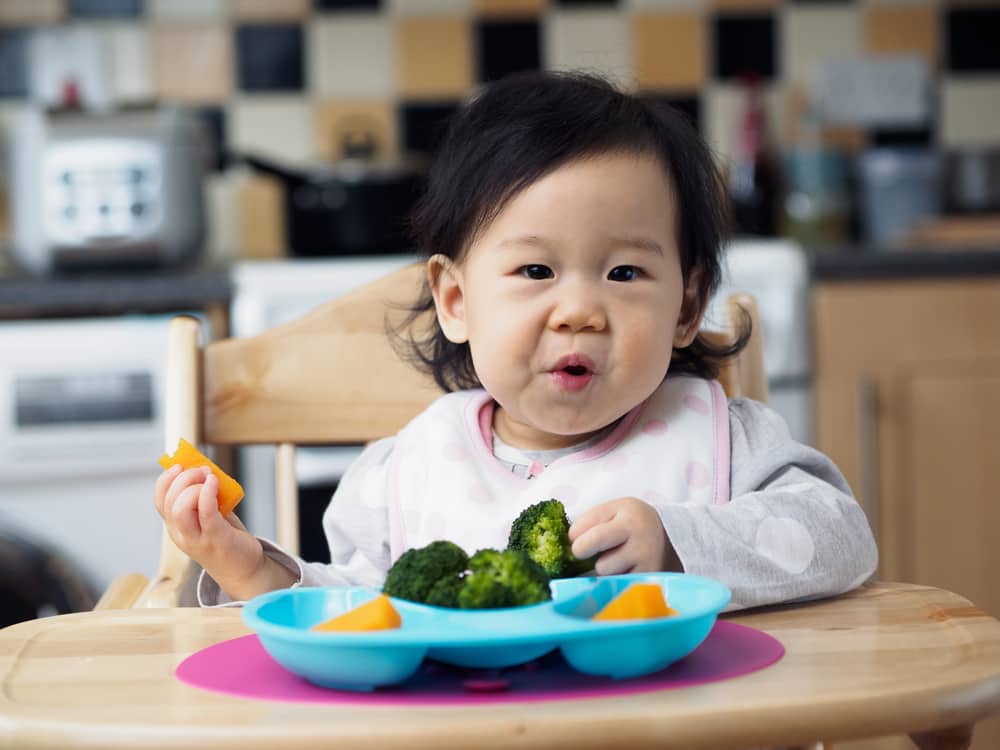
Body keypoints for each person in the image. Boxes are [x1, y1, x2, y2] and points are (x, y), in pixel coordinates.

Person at [154, 71, 877, 610]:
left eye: (624, 272)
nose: (580, 312)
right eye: (536, 270)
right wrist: (250, 567)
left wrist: (680, 542)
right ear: (457, 301)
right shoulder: (405, 468)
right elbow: (355, 608)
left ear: (686, 306)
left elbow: (841, 538)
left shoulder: (721, 436)